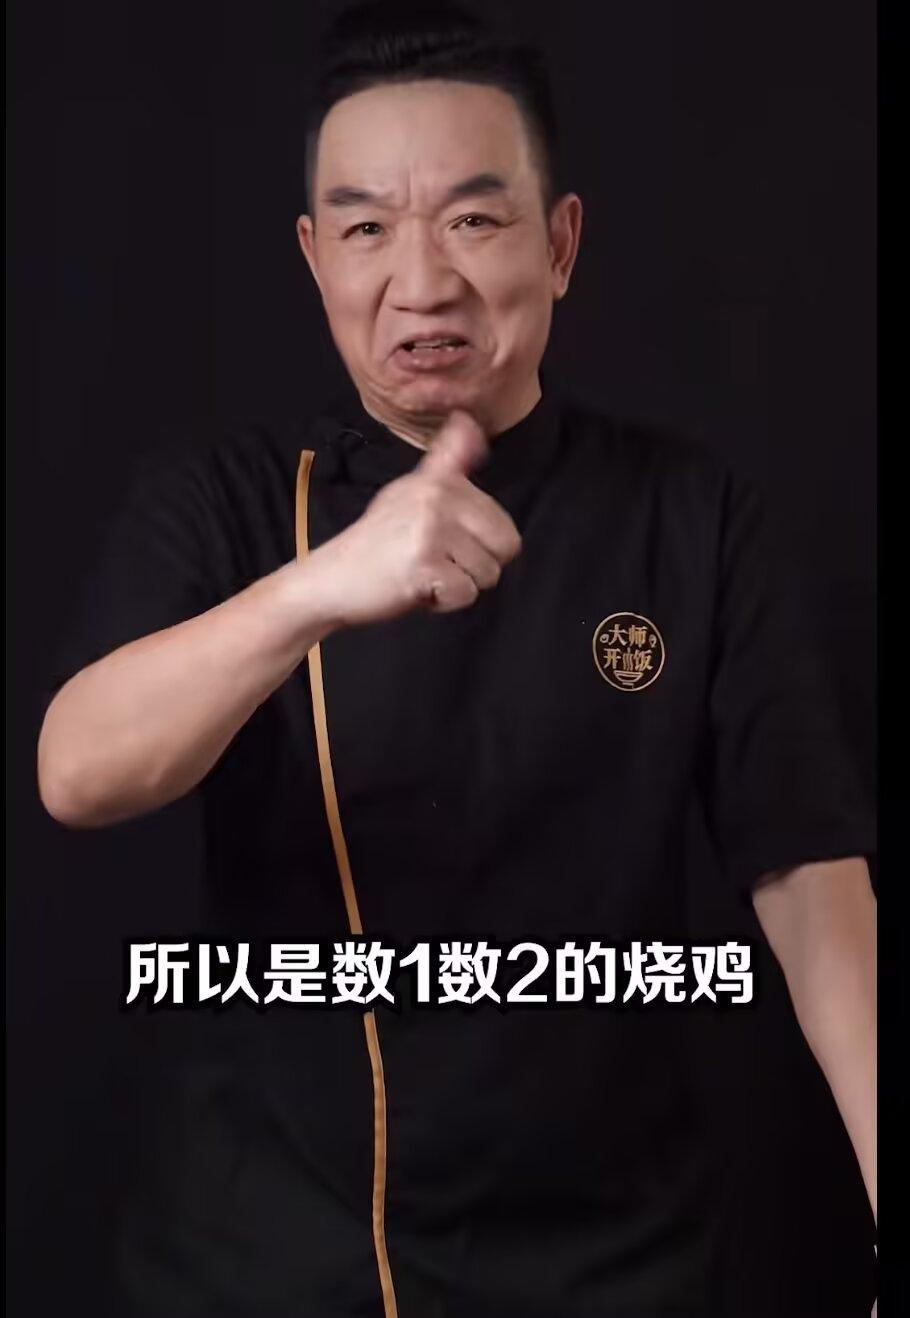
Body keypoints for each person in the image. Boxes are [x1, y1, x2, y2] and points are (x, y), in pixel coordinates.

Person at [37, 3, 877, 1315]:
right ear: (314, 258)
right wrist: (324, 585)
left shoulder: (690, 517)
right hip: (271, 1257)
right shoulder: (224, 503)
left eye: (474, 220)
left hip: (620, 1260)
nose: (421, 281)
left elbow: (808, 872)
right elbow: (79, 770)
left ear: (561, 243)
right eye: (367, 228)